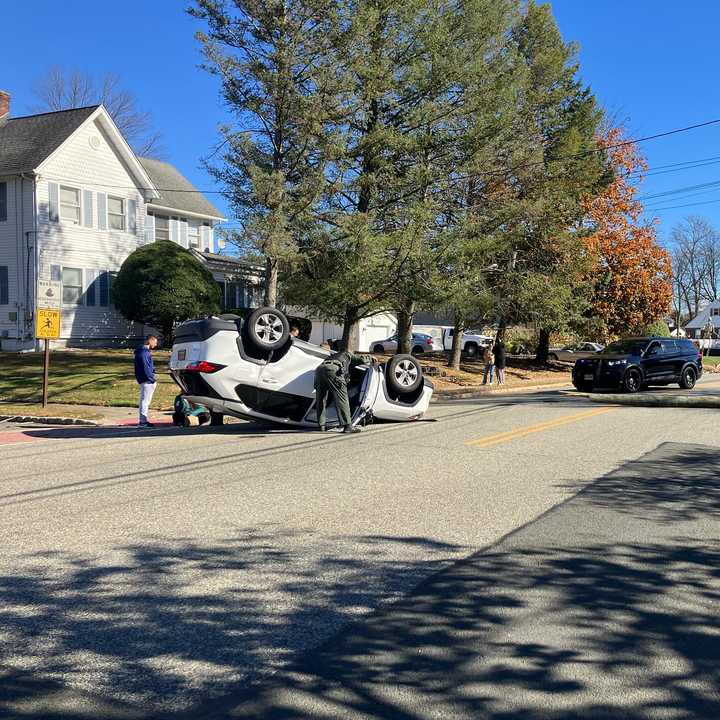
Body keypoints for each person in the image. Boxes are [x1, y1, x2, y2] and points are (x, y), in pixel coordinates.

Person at [314, 348, 376, 434]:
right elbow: (361, 359)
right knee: (342, 398)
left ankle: (321, 425)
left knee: (321, 399)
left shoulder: (332, 356)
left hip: (319, 370)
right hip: (333, 369)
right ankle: (347, 426)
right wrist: (370, 357)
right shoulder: (347, 355)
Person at [135, 334, 158, 428]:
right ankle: (143, 422)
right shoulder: (144, 352)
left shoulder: (141, 351)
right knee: (145, 401)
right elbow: (146, 367)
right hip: (147, 380)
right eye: (155, 342)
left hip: (143, 379)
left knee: (144, 401)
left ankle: (143, 420)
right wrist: (151, 378)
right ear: (150, 341)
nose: (156, 344)